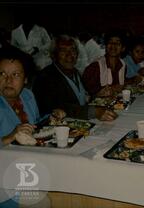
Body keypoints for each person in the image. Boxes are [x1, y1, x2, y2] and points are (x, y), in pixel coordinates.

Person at [0, 47, 56, 208]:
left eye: (15, 75)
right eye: (2, 74)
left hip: (28, 167)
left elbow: (34, 126)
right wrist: (8, 137)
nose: (8, 80)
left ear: (25, 79)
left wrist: (50, 118)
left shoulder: (27, 96)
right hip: (5, 179)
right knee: (41, 202)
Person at [32, 34, 117, 121]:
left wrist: (97, 95)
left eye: (73, 50)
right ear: (54, 56)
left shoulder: (75, 72)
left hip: (79, 122)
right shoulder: (45, 77)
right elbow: (60, 107)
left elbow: (81, 99)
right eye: (63, 50)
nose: (69, 55)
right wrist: (94, 112)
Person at [82, 30, 127, 98]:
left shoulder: (123, 65)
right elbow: (86, 95)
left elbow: (121, 84)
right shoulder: (94, 67)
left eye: (117, 43)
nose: (113, 45)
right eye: (110, 42)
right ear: (106, 46)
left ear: (123, 48)